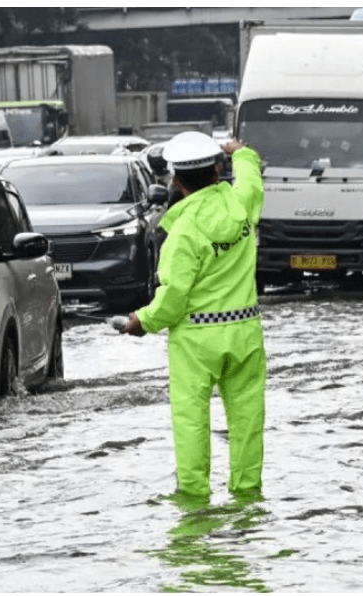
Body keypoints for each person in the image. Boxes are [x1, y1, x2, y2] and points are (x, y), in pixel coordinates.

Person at [121, 131, 266, 500]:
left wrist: (142, 321)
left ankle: (194, 499)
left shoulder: (182, 231)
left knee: (191, 421)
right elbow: (252, 179)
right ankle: (247, 497)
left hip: (195, 341)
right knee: (248, 421)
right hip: (245, 333)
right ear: (218, 171)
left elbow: (172, 301)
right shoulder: (242, 204)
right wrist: (242, 151)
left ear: (175, 181)